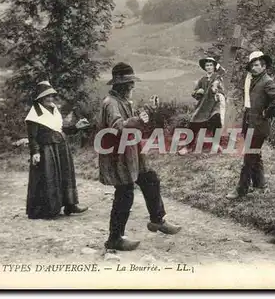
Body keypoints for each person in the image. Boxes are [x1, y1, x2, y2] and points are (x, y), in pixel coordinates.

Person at [98, 62, 181, 251]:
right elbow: (118, 127)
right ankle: (114, 238)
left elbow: (131, 123)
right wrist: (137, 120)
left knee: (150, 179)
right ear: (120, 85)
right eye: (129, 83)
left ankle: (157, 220)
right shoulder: (110, 104)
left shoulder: (122, 101)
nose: (132, 86)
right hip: (118, 157)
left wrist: (146, 113)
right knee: (125, 194)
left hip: (132, 152)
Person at [25, 81, 90, 219]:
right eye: (46, 97)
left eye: (51, 96)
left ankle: (70, 205)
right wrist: (35, 152)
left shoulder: (54, 109)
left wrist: (76, 127)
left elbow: (59, 130)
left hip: (61, 147)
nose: (50, 99)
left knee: (66, 176)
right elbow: (33, 137)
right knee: (49, 178)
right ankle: (49, 209)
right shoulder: (34, 114)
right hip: (46, 150)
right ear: (40, 98)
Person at [226, 51, 275, 199]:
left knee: (248, 158)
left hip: (259, 125)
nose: (254, 68)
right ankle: (260, 185)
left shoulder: (267, 81)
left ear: (264, 66)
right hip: (249, 122)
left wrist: (267, 113)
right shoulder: (253, 80)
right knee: (255, 155)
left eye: (257, 65)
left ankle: (241, 190)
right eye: (252, 65)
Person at [178, 57, 226, 155]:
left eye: (210, 65)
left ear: (214, 67)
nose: (208, 67)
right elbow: (194, 93)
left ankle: (216, 145)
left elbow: (220, 88)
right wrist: (198, 92)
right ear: (205, 68)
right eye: (207, 65)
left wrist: (215, 89)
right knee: (194, 122)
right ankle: (188, 147)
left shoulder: (217, 77)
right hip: (203, 105)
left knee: (216, 119)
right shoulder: (202, 80)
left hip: (214, 104)